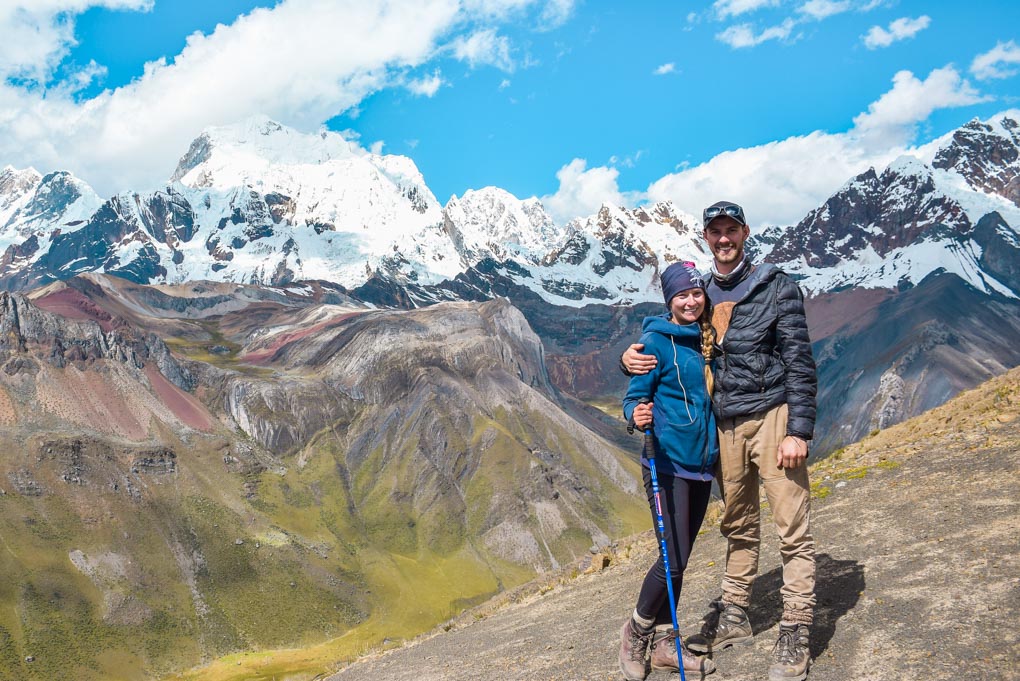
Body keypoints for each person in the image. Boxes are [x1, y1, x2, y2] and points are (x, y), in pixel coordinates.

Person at [621, 201, 817, 681]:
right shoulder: (702, 292)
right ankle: (734, 612)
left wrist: (798, 430)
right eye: (716, 232)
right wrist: (627, 362)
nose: (724, 238)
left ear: (745, 232)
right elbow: (666, 342)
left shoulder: (777, 286)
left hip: (772, 415)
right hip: (723, 426)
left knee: (791, 525)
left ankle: (796, 629)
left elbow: (799, 359)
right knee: (738, 523)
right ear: (706, 238)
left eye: (732, 230)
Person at [618, 261, 718, 681]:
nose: (690, 301)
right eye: (682, 295)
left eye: (696, 293)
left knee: (682, 559)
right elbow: (633, 396)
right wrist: (634, 414)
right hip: (666, 462)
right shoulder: (655, 342)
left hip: (701, 466)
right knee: (671, 560)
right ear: (669, 300)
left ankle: (664, 645)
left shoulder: (709, 338)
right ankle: (635, 632)